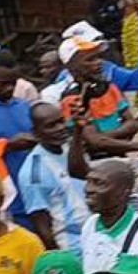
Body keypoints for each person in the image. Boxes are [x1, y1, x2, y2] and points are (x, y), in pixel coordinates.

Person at [17, 103, 88, 250]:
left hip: (93, 235)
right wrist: (60, 260)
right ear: (36, 133)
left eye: (61, 121)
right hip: (72, 247)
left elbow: (81, 175)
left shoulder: (67, 146)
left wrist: (78, 130)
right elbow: (42, 226)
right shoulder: (33, 173)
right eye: (51, 125)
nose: (60, 128)